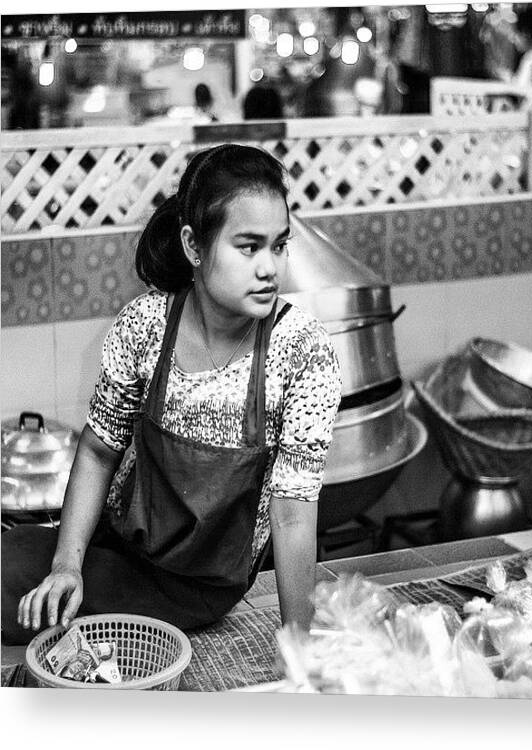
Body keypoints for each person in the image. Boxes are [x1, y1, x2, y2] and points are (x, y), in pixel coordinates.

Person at [1, 144, 342, 645]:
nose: (271, 267)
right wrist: (66, 565)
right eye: (249, 247)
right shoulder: (144, 325)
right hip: (120, 543)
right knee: (13, 560)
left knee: (25, 609)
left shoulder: (302, 353)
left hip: (197, 583)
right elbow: (98, 454)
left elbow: (292, 515)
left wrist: (298, 647)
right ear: (193, 245)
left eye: (279, 245)